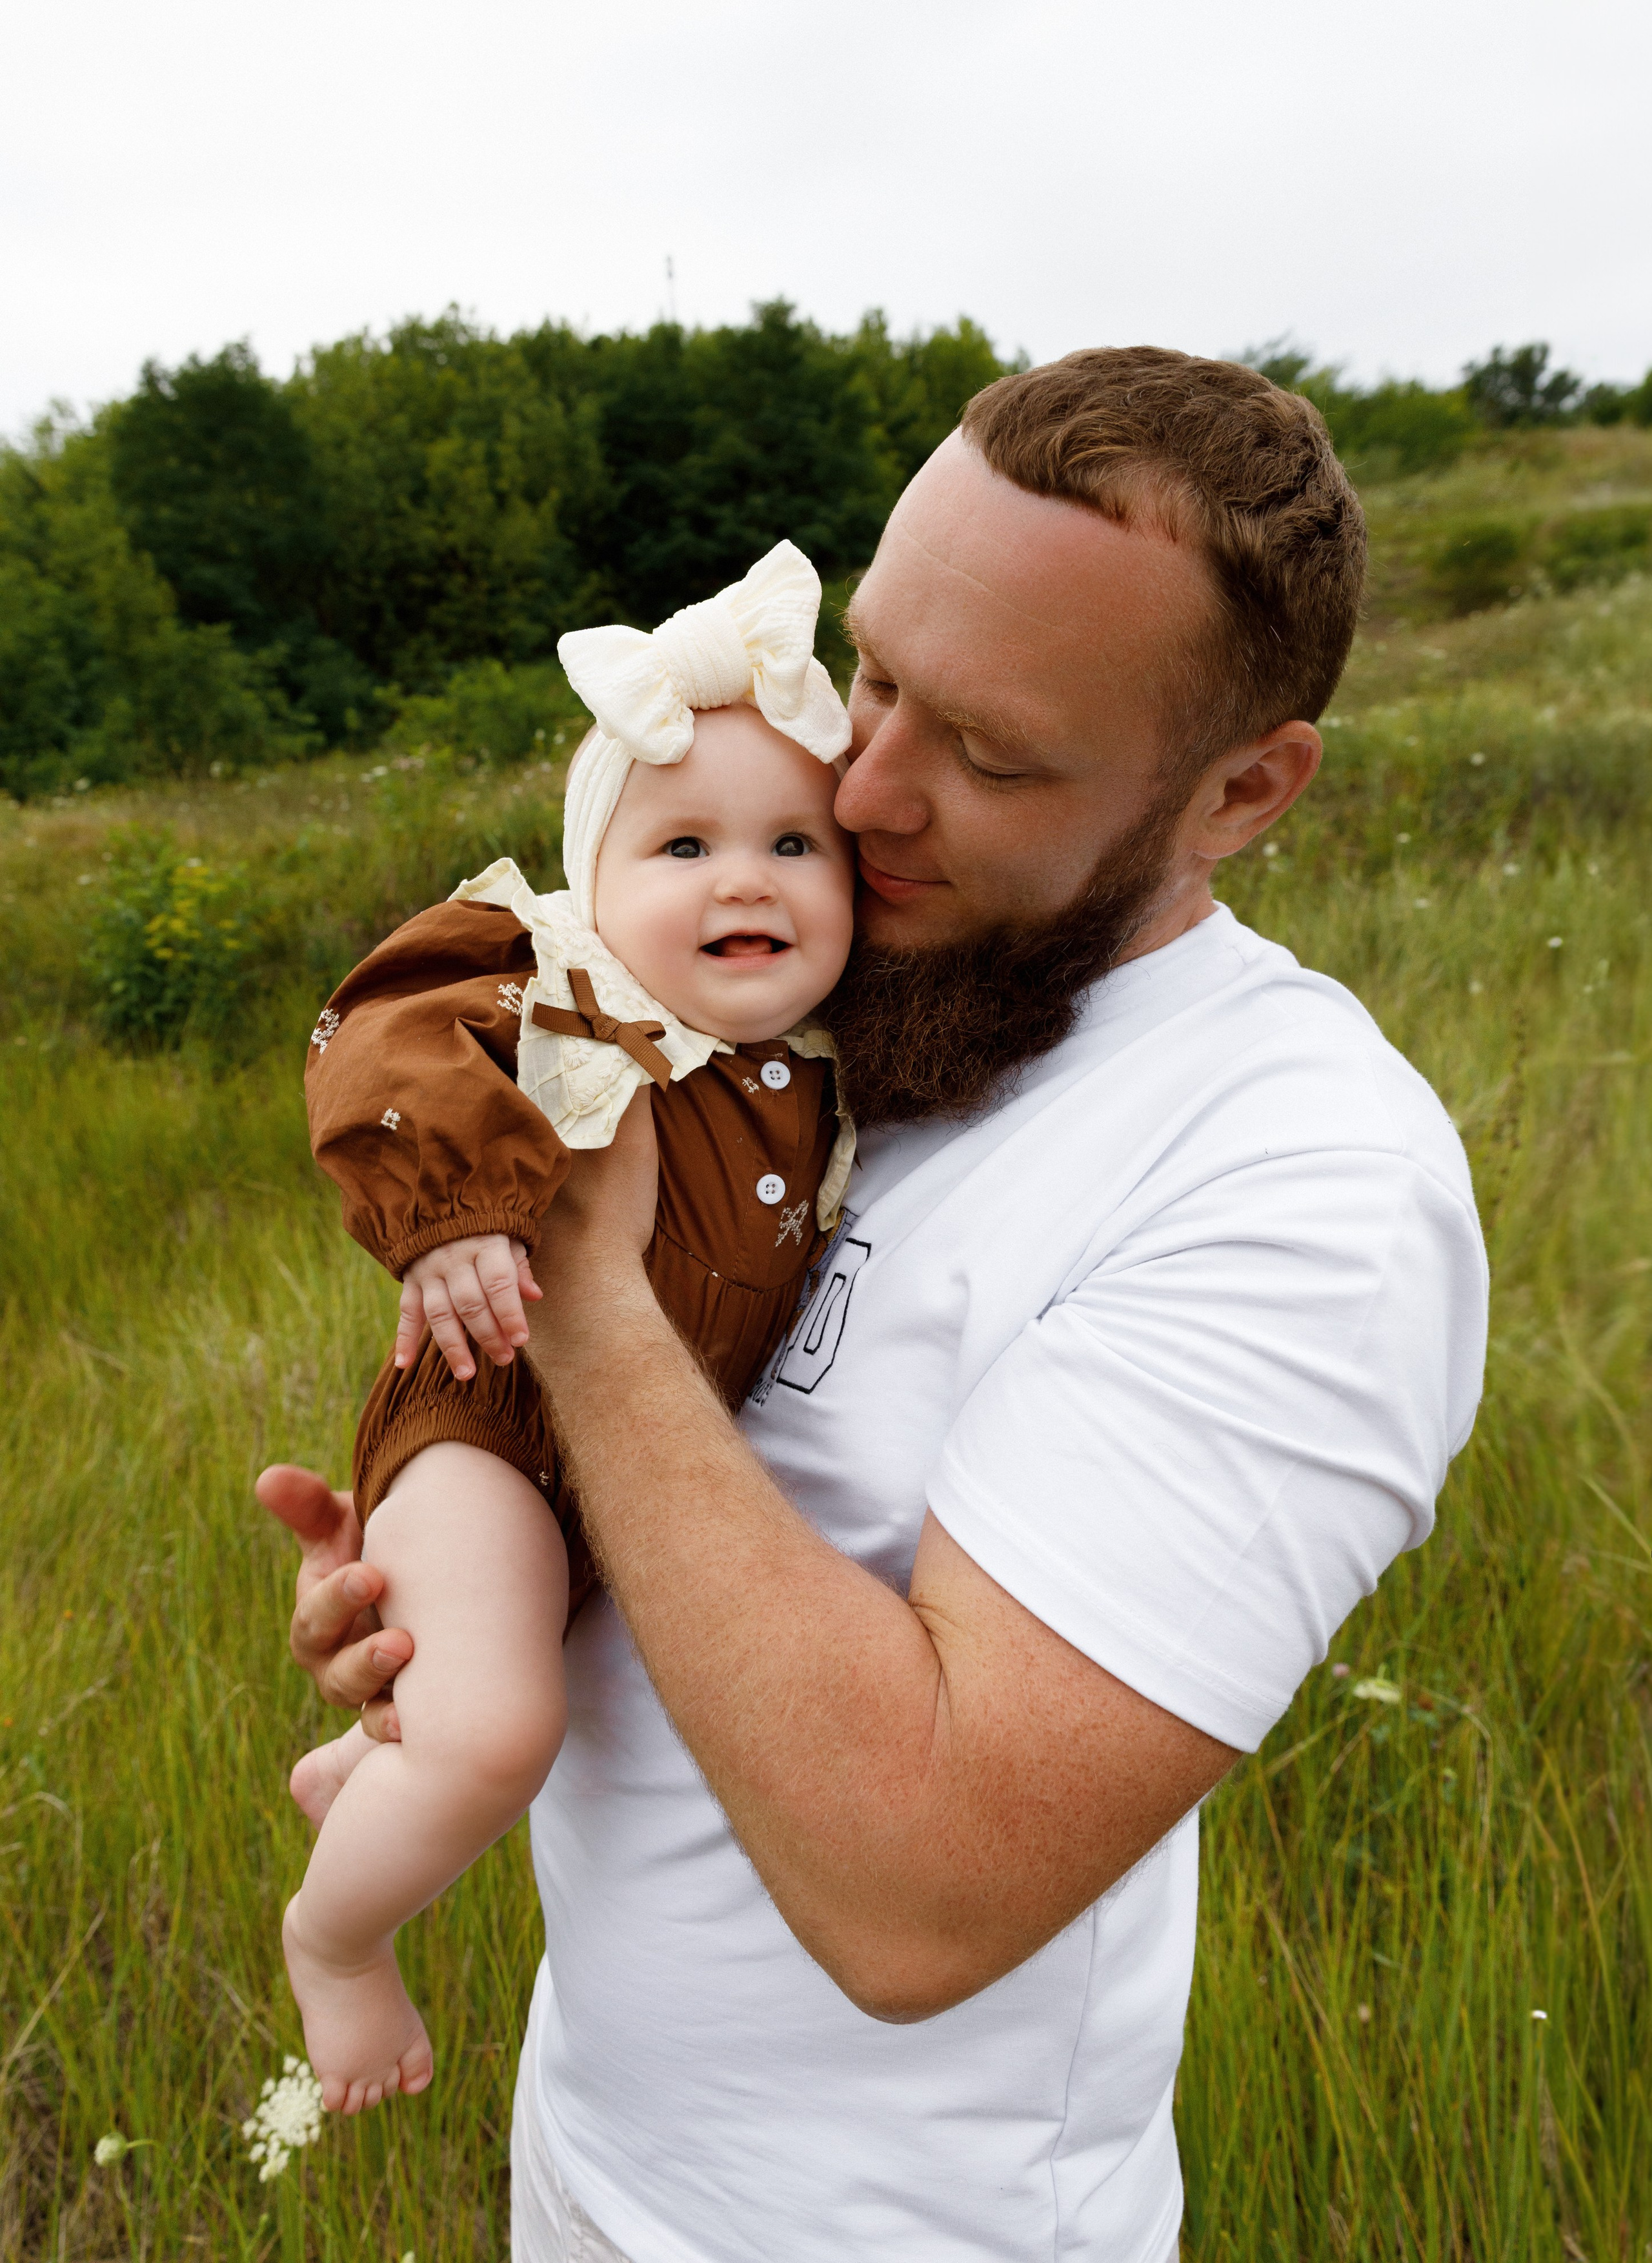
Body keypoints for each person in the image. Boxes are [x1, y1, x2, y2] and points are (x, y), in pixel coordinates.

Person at [259, 347, 1489, 2262]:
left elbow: (919, 1890)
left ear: (1244, 789)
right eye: (880, 676)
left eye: (991, 752)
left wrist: (584, 1307)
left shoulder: (1301, 1183)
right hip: (587, 2158)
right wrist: (466, 1589)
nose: (868, 790)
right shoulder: (880, 995)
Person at [278, 542, 858, 2114]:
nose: (745, 879)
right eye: (681, 844)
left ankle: (373, 1772)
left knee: (474, 1703)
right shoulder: (556, 977)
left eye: (797, 842)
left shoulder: (824, 1064)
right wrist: (452, 1206)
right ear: (592, 881)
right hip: (490, 1417)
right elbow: (383, 1029)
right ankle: (335, 1942)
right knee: (497, 1734)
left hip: (633, 1474)